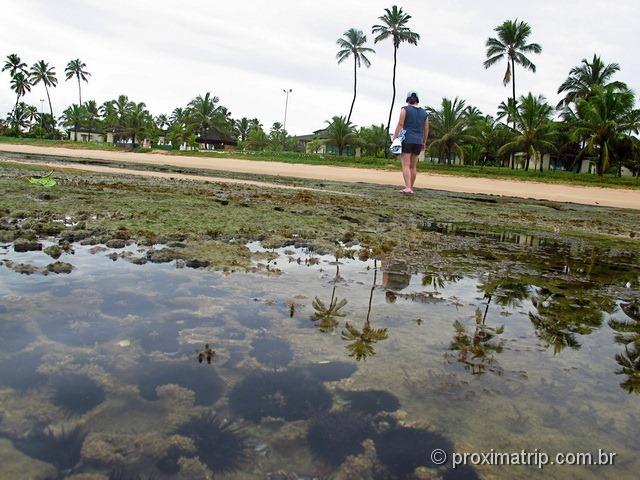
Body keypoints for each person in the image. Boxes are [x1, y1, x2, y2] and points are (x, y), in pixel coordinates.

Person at [392, 91, 429, 195]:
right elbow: (426, 128)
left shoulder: (404, 109)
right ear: (417, 100)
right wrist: (424, 142)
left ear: (408, 100)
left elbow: (400, 124)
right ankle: (411, 187)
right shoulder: (424, 113)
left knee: (406, 165)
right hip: (418, 141)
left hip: (407, 139)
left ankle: (407, 187)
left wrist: (395, 137)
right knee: (413, 166)